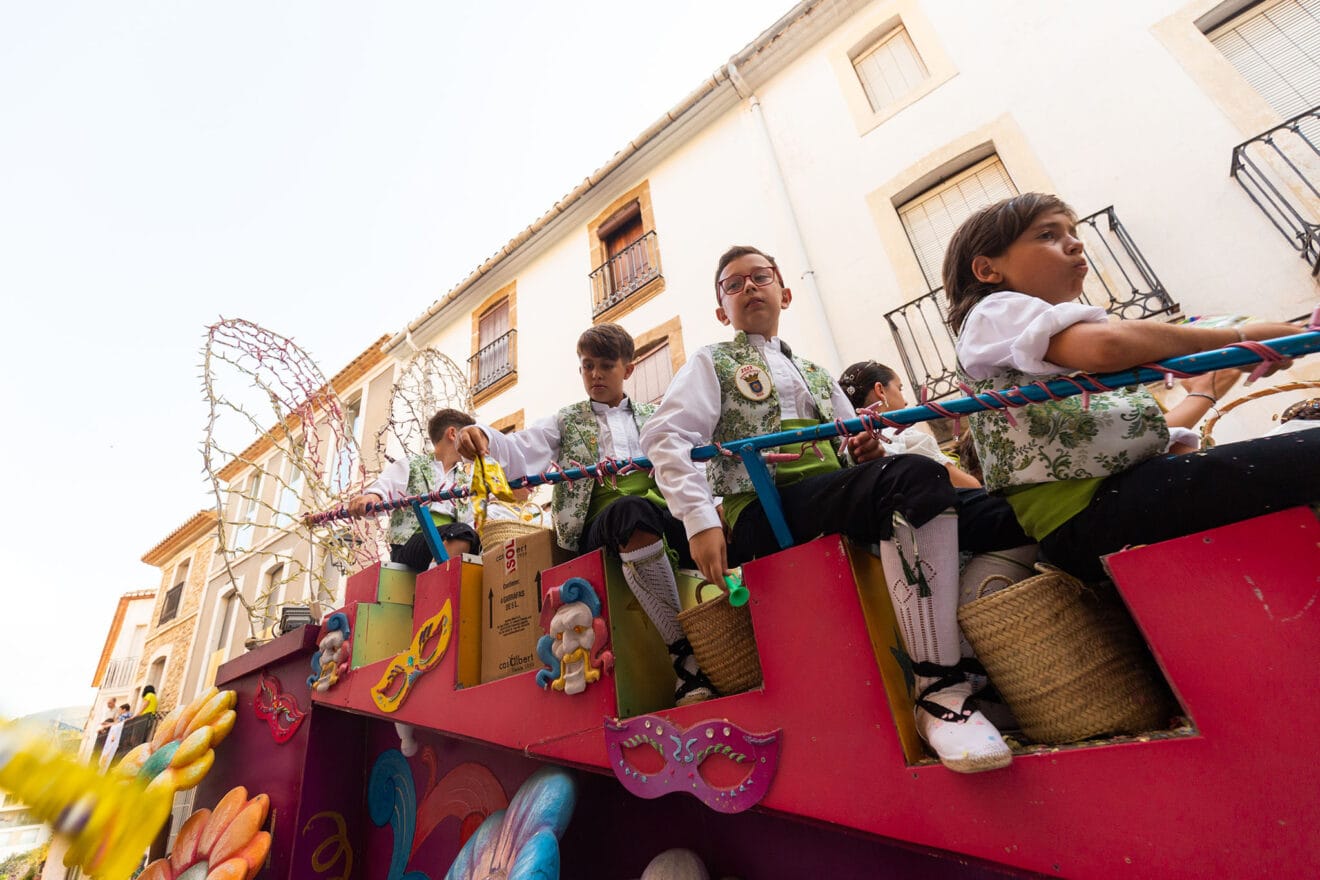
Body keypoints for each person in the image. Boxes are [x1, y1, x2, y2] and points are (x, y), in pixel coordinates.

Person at [640, 246, 1036, 773]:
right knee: (916, 478)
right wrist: (700, 519)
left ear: (785, 292)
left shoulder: (817, 373)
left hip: (830, 496)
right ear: (720, 310)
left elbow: (853, 443)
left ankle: (965, 655)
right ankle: (938, 690)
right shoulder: (710, 362)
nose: (750, 288)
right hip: (762, 510)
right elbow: (665, 435)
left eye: (761, 277)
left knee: (1005, 515)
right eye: (734, 285)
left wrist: (863, 451)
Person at [944, 192, 1318, 583]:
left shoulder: (1035, 341)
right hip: (1096, 511)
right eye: (1047, 235)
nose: (1076, 242)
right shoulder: (995, 309)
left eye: (1072, 231)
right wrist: (1238, 336)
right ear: (987, 269)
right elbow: (1108, 345)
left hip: (1101, 511)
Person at [458, 324, 716, 706]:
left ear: (628, 369)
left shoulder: (656, 418)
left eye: (606, 366)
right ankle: (685, 658)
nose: (595, 374)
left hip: (661, 514)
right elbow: (518, 450)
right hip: (596, 527)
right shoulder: (565, 421)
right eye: (587, 366)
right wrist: (481, 435)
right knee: (629, 512)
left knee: (715, 527)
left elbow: (689, 469)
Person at [349, 409, 481, 570]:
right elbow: (385, 486)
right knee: (462, 533)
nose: (474, 445)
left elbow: (468, 522)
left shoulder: (464, 481)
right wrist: (372, 497)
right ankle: (437, 581)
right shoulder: (412, 465)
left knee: (472, 537)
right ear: (453, 434)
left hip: (452, 542)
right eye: (470, 437)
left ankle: (438, 571)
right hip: (410, 545)